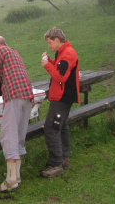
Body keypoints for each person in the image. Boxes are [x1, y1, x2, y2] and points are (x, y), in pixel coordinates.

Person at [0, 35, 34, 192]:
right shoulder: (14, 52)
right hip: (27, 94)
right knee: (19, 134)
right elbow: (9, 74)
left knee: (8, 135)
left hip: (14, 95)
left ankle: (11, 181)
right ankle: (15, 175)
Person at [40, 27, 80, 178]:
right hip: (63, 96)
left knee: (51, 128)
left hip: (62, 98)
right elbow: (59, 68)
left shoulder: (67, 54)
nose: (49, 46)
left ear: (57, 40)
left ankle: (56, 164)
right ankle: (63, 158)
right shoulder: (62, 52)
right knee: (61, 127)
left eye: (50, 43)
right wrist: (50, 61)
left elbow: (61, 77)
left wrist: (47, 65)